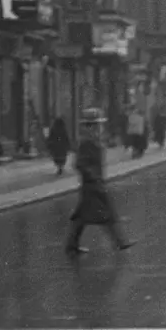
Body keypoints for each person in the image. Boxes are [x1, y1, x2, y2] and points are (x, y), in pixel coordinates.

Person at [65, 108, 135, 255]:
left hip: (94, 184)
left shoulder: (93, 140)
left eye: (99, 125)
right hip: (92, 185)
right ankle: (120, 242)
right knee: (106, 214)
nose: (99, 127)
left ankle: (72, 245)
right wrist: (92, 176)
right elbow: (79, 163)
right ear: (89, 126)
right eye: (96, 125)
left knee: (83, 217)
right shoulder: (86, 142)